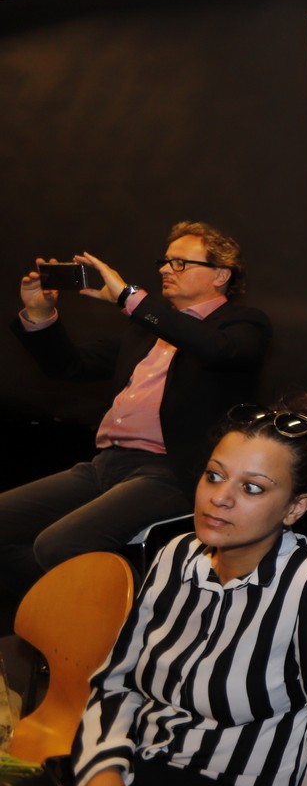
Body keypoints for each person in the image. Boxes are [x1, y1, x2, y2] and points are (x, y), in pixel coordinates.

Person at [0, 394, 307, 786]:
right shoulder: (175, 557)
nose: (220, 498)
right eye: (214, 476)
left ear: (295, 507)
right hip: (133, 771)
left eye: (252, 488)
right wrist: (102, 770)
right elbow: (118, 680)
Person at [0, 221, 272, 620]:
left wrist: (130, 298)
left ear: (220, 275)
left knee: (57, 544)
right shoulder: (144, 331)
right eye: (165, 261)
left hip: (169, 471)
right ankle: (76, 622)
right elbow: (72, 366)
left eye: (180, 262)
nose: (165, 269)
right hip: (105, 465)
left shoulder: (243, 325)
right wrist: (41, 314)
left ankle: (137, 626)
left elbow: (214, 350)